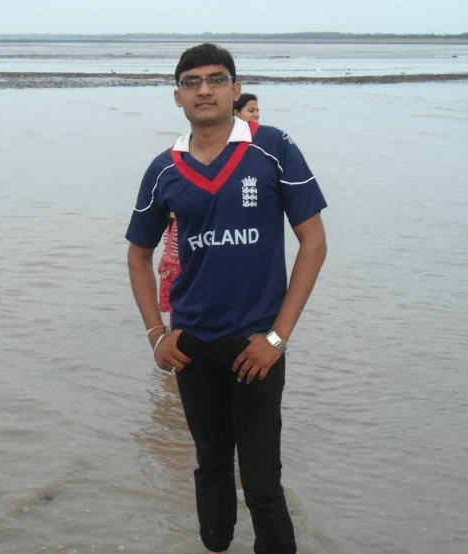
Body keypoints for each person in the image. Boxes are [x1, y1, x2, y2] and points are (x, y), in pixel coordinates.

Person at [125, 43, 327, 554]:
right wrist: (157, 335)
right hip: (191, 345)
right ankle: (214, 546)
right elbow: (138, 255)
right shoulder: (164, 169)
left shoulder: (273, 147)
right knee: (210, 464)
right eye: (192, 82)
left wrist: (277, 338)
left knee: (261, 478)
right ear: (177, 97)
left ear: (236, 91)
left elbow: (314, 244)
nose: (205, 89)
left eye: (216, 79)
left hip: (255, 345)